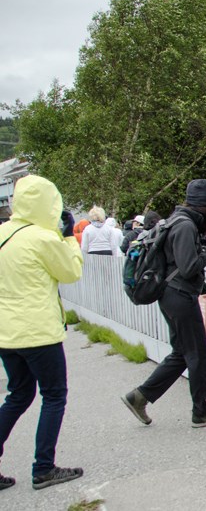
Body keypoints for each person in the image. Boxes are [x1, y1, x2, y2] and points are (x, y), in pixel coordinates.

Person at [0, 175, 85, 490]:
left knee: (19, 395)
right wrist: (68, 238)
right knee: (54, 396)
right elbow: (71, 272)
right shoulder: (43, 238)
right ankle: (44, 468)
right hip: (38, 332)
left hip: (6, 333)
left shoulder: (3, 233)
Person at [121, 180, 206, 428]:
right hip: (180, 295)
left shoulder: (176, 220)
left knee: (181, 353)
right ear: (205, 206)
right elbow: (188, 268)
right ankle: (202, 411)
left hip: (170, 295)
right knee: (198, 353)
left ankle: (140, 397)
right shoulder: (186, 226)